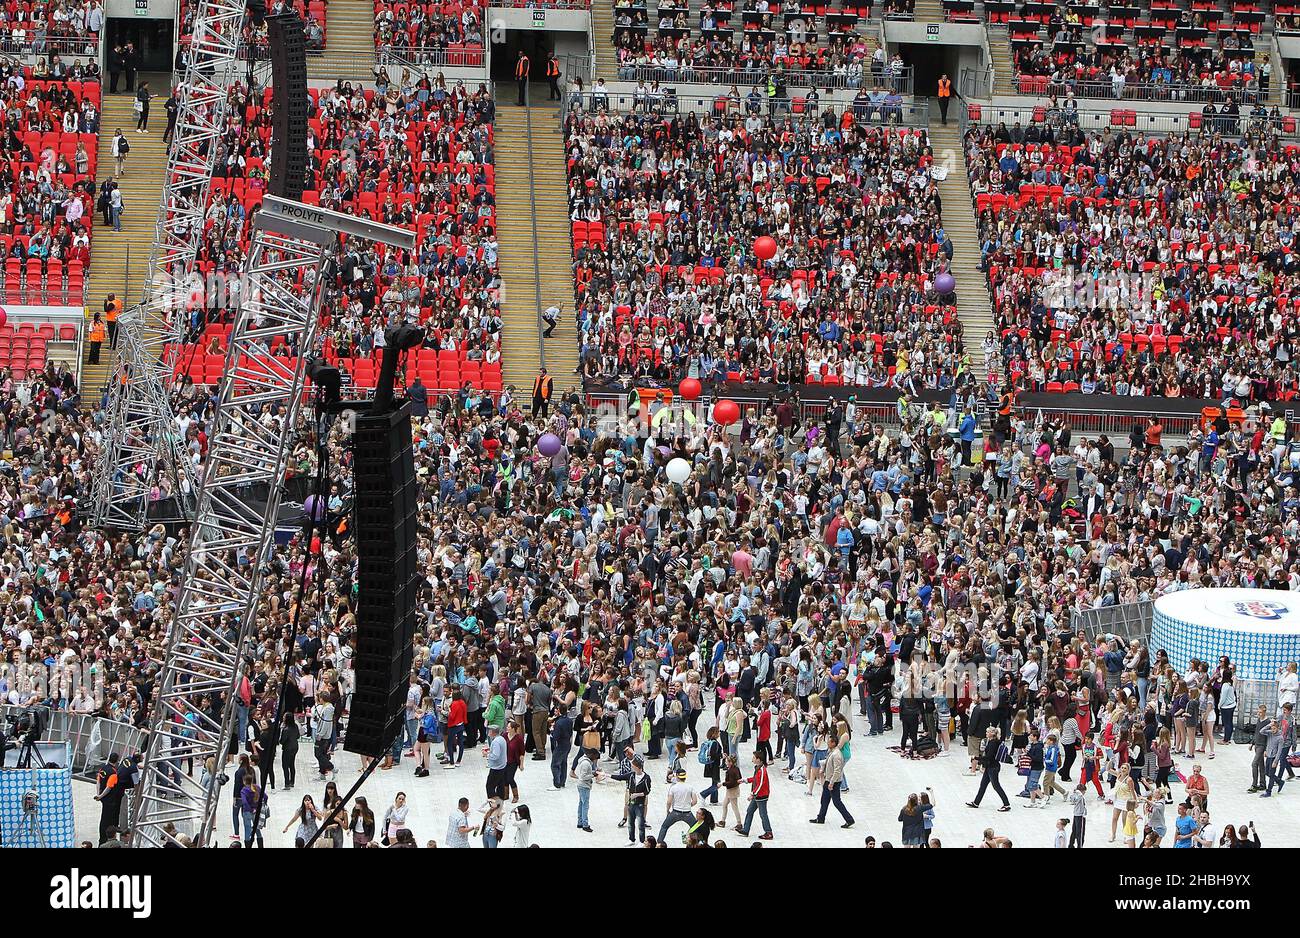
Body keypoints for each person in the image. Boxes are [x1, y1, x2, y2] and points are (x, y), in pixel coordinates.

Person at [810, 734, 854, 828]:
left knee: (837, 802)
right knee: (824, 799)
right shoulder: (832, 751)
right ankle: (821, 817)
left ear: (833, 743)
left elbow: (837, 770)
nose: (827, 743)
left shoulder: (836, 754)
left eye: (829, 742)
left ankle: (849, 819)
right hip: (828, 779)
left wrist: (832, 782)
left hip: (833, 781)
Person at [967, 726, 1011, 811]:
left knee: (996, 786)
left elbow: (989, 757)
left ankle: (1006, 804)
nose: (986, 733)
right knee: (983, 785)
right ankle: (976, 802)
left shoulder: (993, 743)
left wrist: (977, 758)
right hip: (990, 766)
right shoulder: (992, 742)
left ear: (992, 734)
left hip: (992, 767)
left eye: (988, 732)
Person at [734, 750, 773, 840]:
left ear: (759, 759)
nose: (752, 760)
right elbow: (755, 779)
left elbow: (760, 784)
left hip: (761, 796)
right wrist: (745, 780)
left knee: (763, 814)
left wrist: (752, 794)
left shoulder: (762, 770)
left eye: (753, 758)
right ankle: (746, 830)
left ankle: (768, 832)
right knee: (750, 811)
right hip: (757, 795)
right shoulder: (758, 768)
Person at [657, 768, 698, 844]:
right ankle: (691, 843)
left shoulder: (673, 788)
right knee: (695, 828)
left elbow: (669, 801)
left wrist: (667, 810)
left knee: (664, 827)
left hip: (675, 812)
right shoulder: (690, 787)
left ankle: (659, 843)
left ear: (677, 776)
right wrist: (688, 805)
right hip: (687, 813)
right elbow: (695, 801)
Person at [574, 747, 600, 832]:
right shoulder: (586, 763)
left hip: (581, 785)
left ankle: (580, 822)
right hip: (584, 786)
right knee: (585, 805)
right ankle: (585, 824)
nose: (595, 760)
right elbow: (583, 776)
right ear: (591, 755)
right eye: (595, 757)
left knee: (581, 804)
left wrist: (592, 773)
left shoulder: (583, 761)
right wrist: (593, 775)